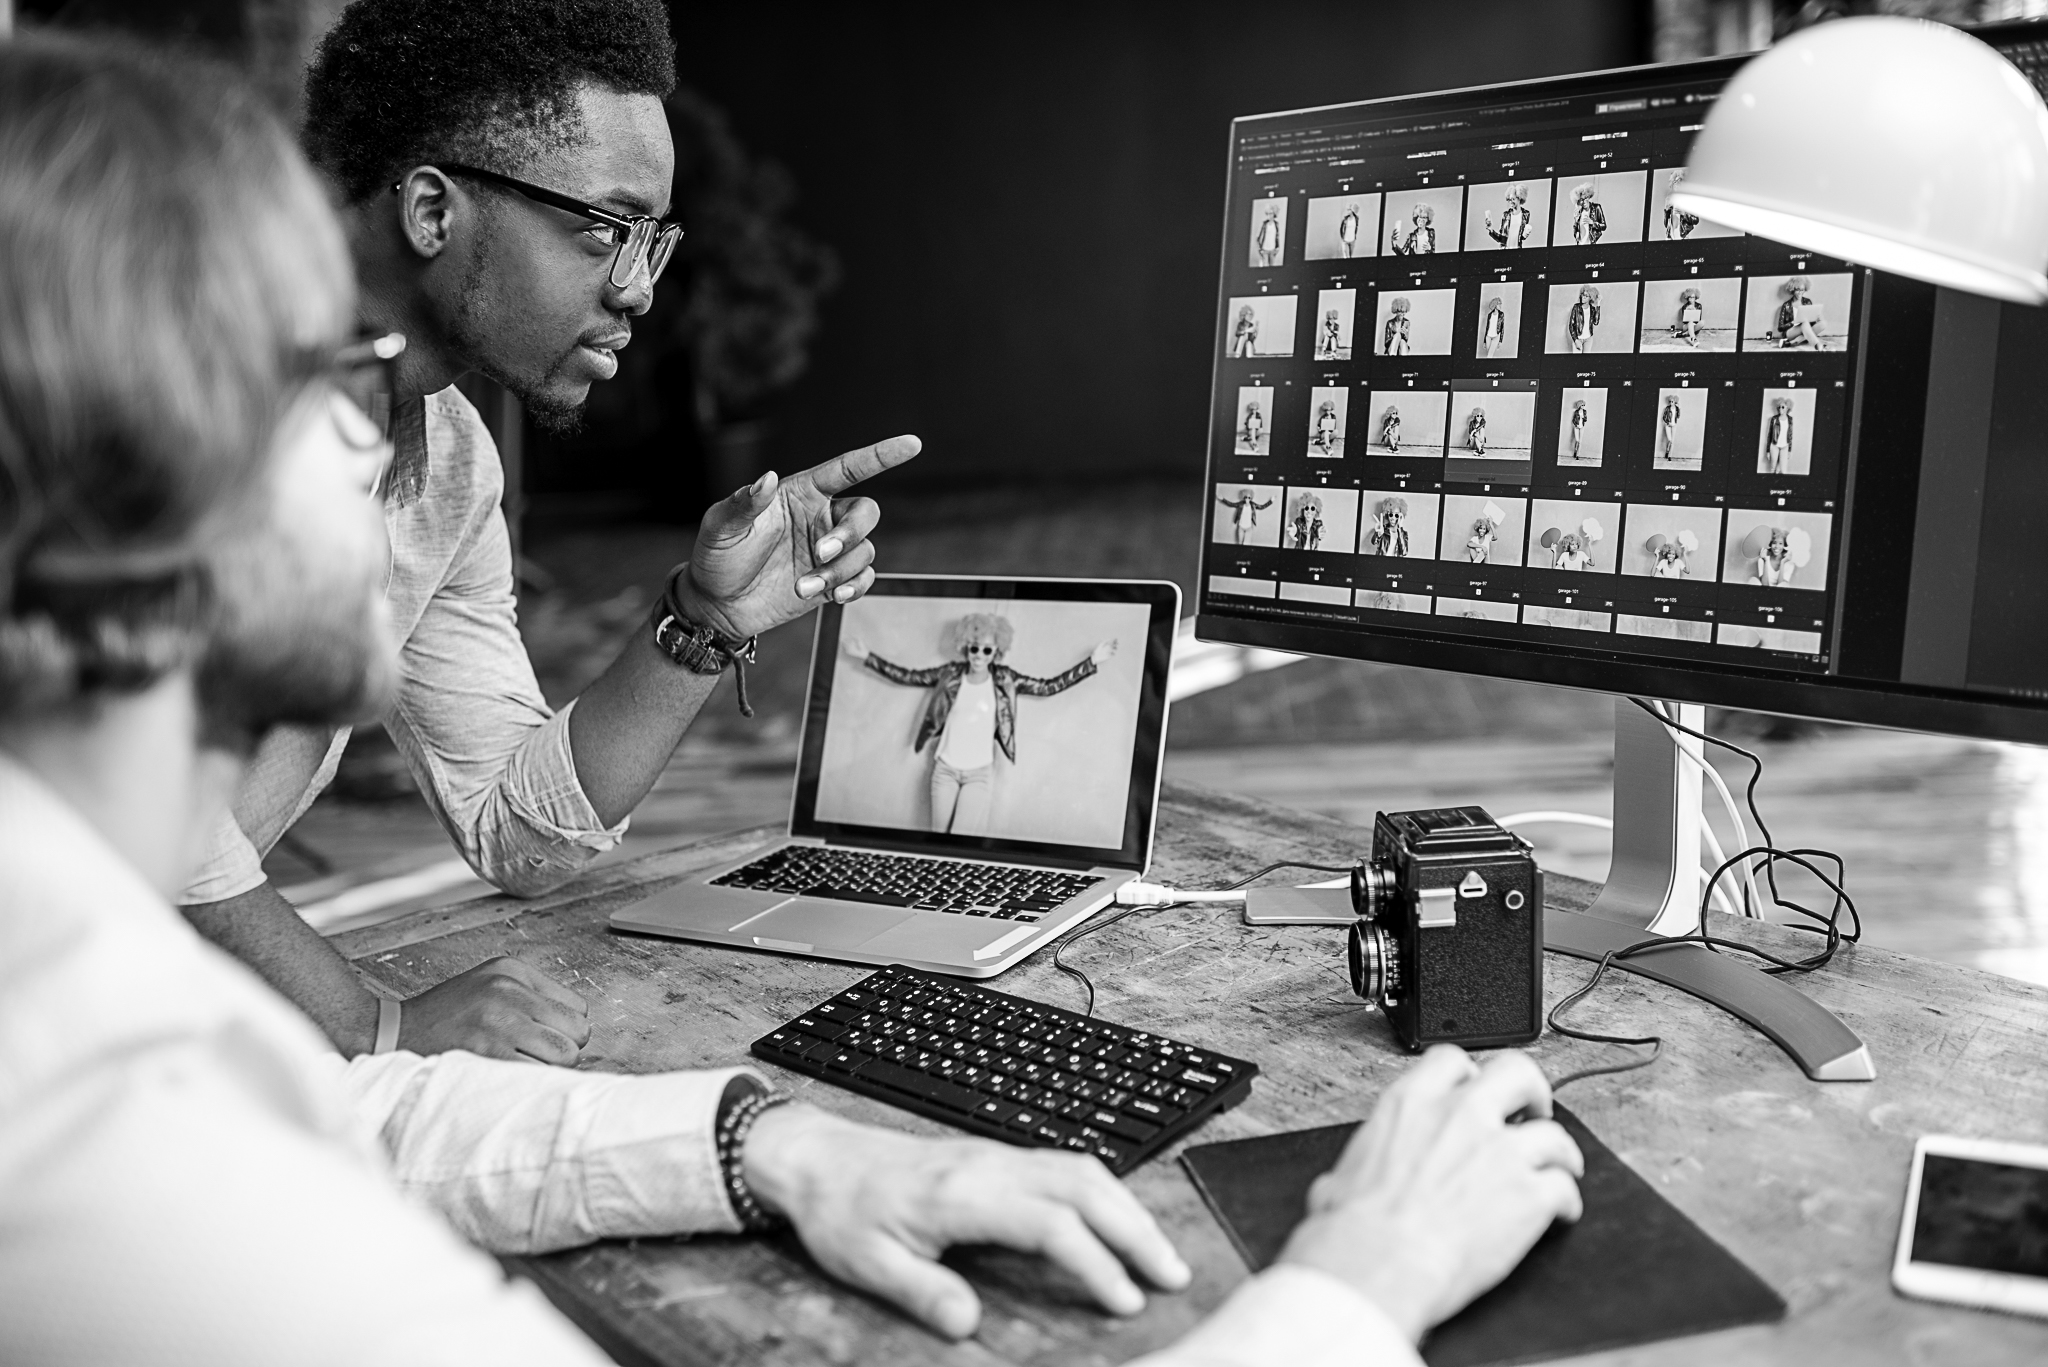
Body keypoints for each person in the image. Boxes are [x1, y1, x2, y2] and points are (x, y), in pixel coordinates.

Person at [0, 35, 1588, 1367]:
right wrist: (1355, 1288)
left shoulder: (88, 965)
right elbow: (285, 1101)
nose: (382, 447)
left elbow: (364, 1087)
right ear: (125, 514)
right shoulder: (84, 1134)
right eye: (333, 381)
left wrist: (770, 1142)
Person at [177, 0, 918, 1065]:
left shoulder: (446, 464)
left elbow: (514, 829)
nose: (635, 291)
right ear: (432, 210)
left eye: (654, 241)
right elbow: (143, 819)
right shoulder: (176, 386)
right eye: (604, 230)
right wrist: (372, 1020)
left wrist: (699, 620)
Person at [840, 618, 1114, 836]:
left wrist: (1090, 663)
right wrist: (867, 657)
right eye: (974, 648)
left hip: (978, 774)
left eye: (987, 649)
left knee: (960, 842)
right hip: (944, 770)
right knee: (938, 842)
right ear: (965, 646)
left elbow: (1047, 687)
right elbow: (909, 676)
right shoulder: (949, 674)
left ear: (997, 651)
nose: (979, 655)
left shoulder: (1006, 678)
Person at [1484, 182, 1532, 249]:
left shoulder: (1526, 214)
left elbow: (1522, 238)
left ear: (1519, 198)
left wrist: (1526, 233)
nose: (1510, 202)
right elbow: (1501, 238)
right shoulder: (1505, 215)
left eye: (1513, 199)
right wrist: (1491, 230)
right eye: (1509, 200)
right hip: (1505, 251)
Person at [1762, 397, 1796, 474]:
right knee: (1772, 468)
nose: (1780, 408)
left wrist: (1789, 450)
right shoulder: (1774, 419)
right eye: (1779, 407)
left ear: (1788, 408)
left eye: (1783, 407)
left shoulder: (1790, 419)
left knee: (1782, 470)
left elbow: (1790, 435)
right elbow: (1769, 435)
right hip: (1774, 445)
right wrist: (1768, 451)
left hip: (1785, 446)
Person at [1569, 181, 1606, 245]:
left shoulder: (1596, 207)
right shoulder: (1579, 211)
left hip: (1591, 243)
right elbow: (1576, 231)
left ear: (1589, 197)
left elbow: (1604, 226)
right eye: (1581, 201)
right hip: (1580, 244)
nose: (1583, 202)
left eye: (1585, 199)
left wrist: (1592, 223)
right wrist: (1575, 220)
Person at [1567, 284, 1601, 353]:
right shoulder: (1576, 307)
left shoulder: (1592, 309)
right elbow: (1571, 325)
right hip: (1578, 338)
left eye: (1586, 296)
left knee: (1586, 361)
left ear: (1590, 298)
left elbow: (1596, 322)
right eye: (1583, 294)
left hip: (1588, 339)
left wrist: (1598, 304)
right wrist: (1575, 340)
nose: (1583, 297)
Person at [1659, 392, 1685, 466]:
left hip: (1674, 425)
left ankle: (1669, 456)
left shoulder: (1676, 409)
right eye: (1670, 401)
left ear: (1675, 402)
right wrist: (1667, 422)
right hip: (1668, 425)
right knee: (1670, 440)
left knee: (1672, 442)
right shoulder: (1667, 408)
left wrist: (1679, 409)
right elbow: (1664, 417)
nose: (1671, 402)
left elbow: (1678, 417)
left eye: (1672, 401)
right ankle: (1667, 451)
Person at [1255, 202, 1283, 266]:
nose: (1269, 215)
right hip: (1264, 249)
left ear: (1274, 214)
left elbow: (1277, 236)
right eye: (1267, 213)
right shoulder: (1264, 224)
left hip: (1273, 249)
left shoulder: (1276, 224)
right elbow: (1257, 237)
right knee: (1265, 266)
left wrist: (1277, 247)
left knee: (1272, 267)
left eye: (1271, 213)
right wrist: (1259, 249)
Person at [1566, 399, 1591, 463]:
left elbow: (1586, 419)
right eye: (1582, 405)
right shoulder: (1576, 412)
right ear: (1579, 405)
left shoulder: (1585, 411)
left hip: (1582, 427)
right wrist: (1575, 425)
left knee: (1580, 442)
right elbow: (1573, 420)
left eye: (1584, 405)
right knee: (1577, 440)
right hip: (1576, 427)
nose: (1583, 406)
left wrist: (1583, 417)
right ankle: (1575, 451)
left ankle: (1577, 455)